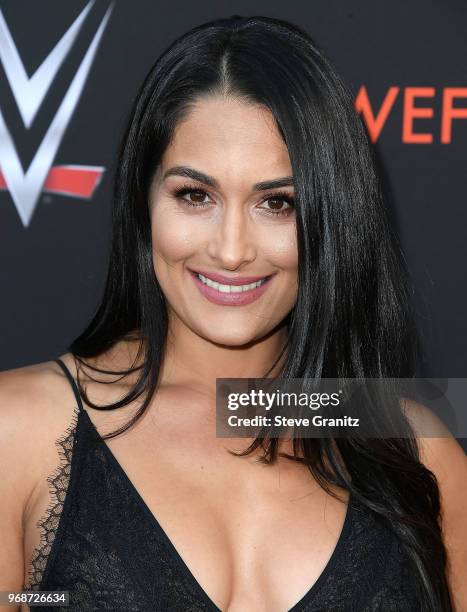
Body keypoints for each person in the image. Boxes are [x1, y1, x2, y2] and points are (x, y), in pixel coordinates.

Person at [0, 14, 466, 612]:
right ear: (143, 207)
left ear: (332, 219)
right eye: (195, 196)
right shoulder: (18, 432)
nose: (231, 250)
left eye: (277, 203)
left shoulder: (411, 443)